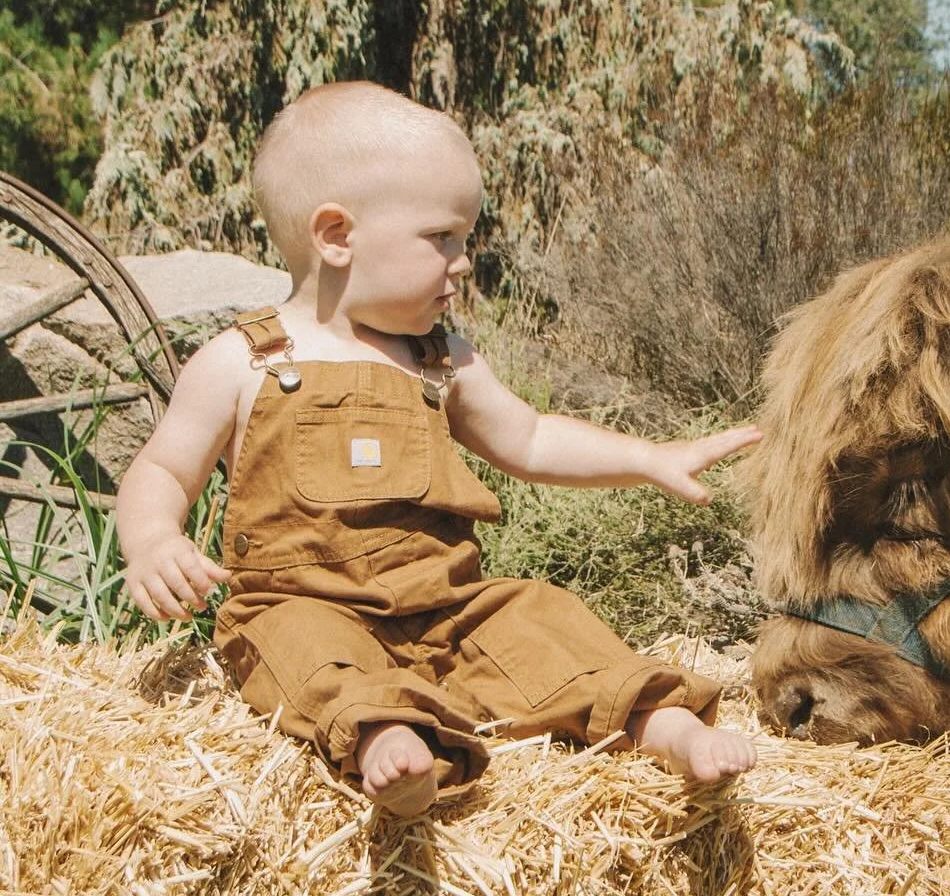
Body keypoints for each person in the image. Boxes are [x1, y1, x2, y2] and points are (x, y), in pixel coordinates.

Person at [116, 81, 759, 816]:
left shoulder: (440, 360)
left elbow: (532, 437)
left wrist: (648, 458)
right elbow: (163, 469)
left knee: (540, 619)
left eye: (466, 239)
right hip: (304, 602)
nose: (461, 263)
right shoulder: (242, 361)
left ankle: (666, 727)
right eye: (442, 238)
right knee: (301, 652)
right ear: (336, 236)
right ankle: (386, 745)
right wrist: (152, 538)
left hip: (448, 607)